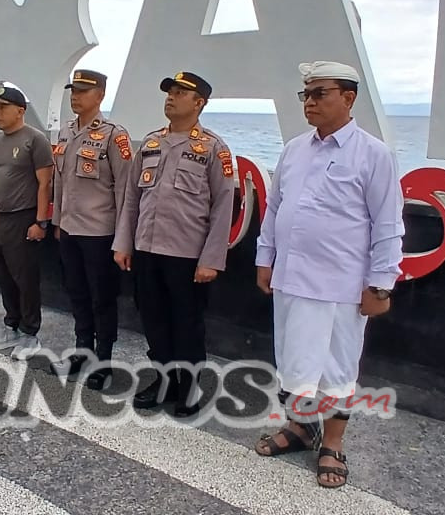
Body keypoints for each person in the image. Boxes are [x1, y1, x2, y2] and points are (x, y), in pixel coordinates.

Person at [251, 61, 404, 489]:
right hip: (291, 278)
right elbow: (276, 208)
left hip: (341, 287)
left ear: (348, 98)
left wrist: (382, 283)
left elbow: (388, 224)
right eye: (307, 94)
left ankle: (332, 444)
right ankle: (301, 427)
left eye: (320, 93)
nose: (310, 102)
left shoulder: (374, 154)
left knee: (337, 369)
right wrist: (266, 258)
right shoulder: (295, 149)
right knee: (294, 362)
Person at [112, 71, 234, 418]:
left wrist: (211, 260)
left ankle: (189, 385)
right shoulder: (150, 143)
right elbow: (132, 199)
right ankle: (164, 380)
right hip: (147, 251)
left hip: (187, 256)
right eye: (170, 92)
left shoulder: (213, 149)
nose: (171, 97)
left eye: (181, 93)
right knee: (154, 320)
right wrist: (124, 243)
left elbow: (223, 206)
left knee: (187, 323)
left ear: (199, 103)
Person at [49, 70, 132, 390]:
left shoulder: (114, 135)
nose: (75, 96)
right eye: (73, 90)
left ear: (99, 96)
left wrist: (123, 238)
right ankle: (82, 349)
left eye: (83, 91)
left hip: (100, 232)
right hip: (69, 229)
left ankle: (104, 358)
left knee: (102, 297)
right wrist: (57, 222)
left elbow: (125, 191)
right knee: (77, 293)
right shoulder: (66, 133)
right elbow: (61, 181)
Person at [0, 85, 53, 360]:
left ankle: (29, 333)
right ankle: (11, 326)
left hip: (23, 218)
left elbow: (45, 184)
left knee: (26, 280)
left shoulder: (34, 140)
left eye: (2, 107)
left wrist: (40, 222)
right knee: (4, 277)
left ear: (20, 110)